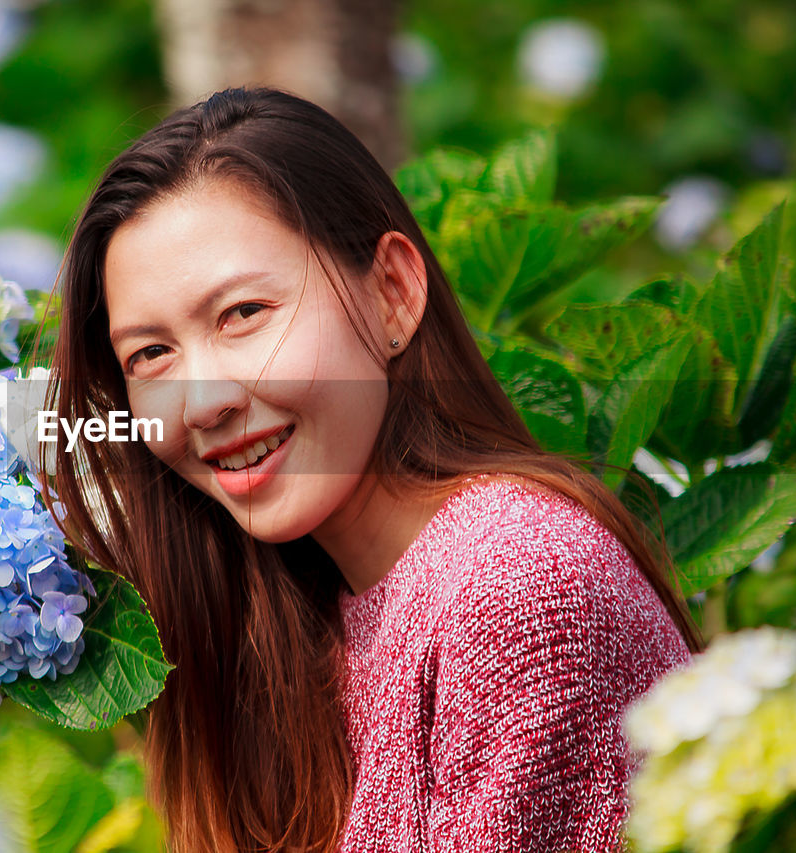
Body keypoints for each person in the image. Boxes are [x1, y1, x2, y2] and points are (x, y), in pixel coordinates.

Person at [42, 86, 700, 853]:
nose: (203, 402)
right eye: (150, 354)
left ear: (393, 293)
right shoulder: (300, 627)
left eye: (244, 313)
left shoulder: (517, 586)